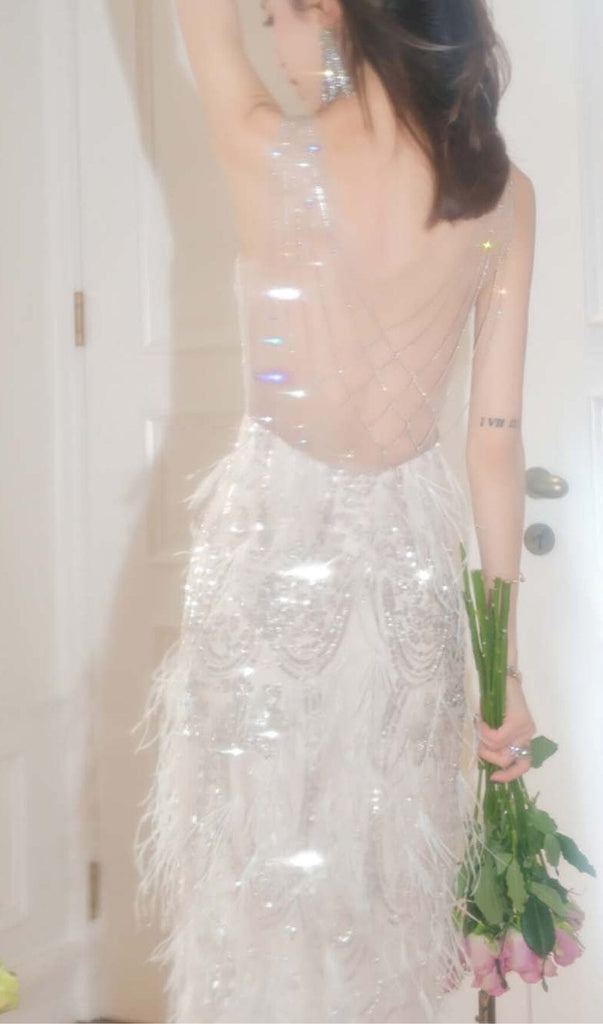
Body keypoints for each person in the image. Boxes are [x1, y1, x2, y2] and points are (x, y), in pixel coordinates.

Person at [131, 1, 538, 1021]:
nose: (271, 37)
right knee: (381, 890)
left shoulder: (267, 149)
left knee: (254, 891)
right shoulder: (499, 195)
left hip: (270, 551)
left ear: (333, 10)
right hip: (406, 575)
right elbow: (493, 442)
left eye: (277, 12)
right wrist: (502, 670)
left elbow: (199, 24)